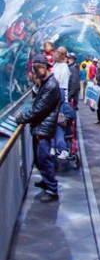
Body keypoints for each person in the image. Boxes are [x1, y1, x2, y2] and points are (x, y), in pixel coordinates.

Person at [15, 54, 62, 203]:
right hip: (41, 127)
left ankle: (52, 189)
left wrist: (22, 118)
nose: (35, 73)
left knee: (44, 158)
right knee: (40, 159)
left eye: (36, 69)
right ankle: (46, 180)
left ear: (44, 67)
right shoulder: (46, 82)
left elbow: (39, 109)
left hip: (44, 128)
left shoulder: (51, 85)